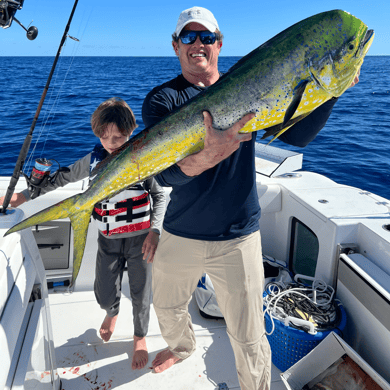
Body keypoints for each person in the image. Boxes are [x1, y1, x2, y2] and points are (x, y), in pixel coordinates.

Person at [141, 6, 360, 389]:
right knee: (168, 307)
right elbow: (166, 173)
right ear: (175, 46)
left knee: (250, 334)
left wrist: (332, 92)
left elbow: (296, 137)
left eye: (206, 37)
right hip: (181, 231)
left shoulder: (252, 86)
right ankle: (181, 347)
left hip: (238, 236)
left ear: (219, 44)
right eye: (188, 37)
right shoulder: (162, 100)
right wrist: (208, 155)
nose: (198, 44)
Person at [1, 97, 166, 370]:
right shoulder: (92, 161)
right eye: (106, 136)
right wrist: (22, 197)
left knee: (140, 292)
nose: (112, 142)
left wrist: (156, 231)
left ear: (131, 133)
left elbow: (159, 197)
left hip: (141, 240)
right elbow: (58, 180)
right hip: (108, 241)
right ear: (97, 135)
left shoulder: (143, 162)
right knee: (103, 292)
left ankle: (140, 336)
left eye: (119, 136)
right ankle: (111, 313)